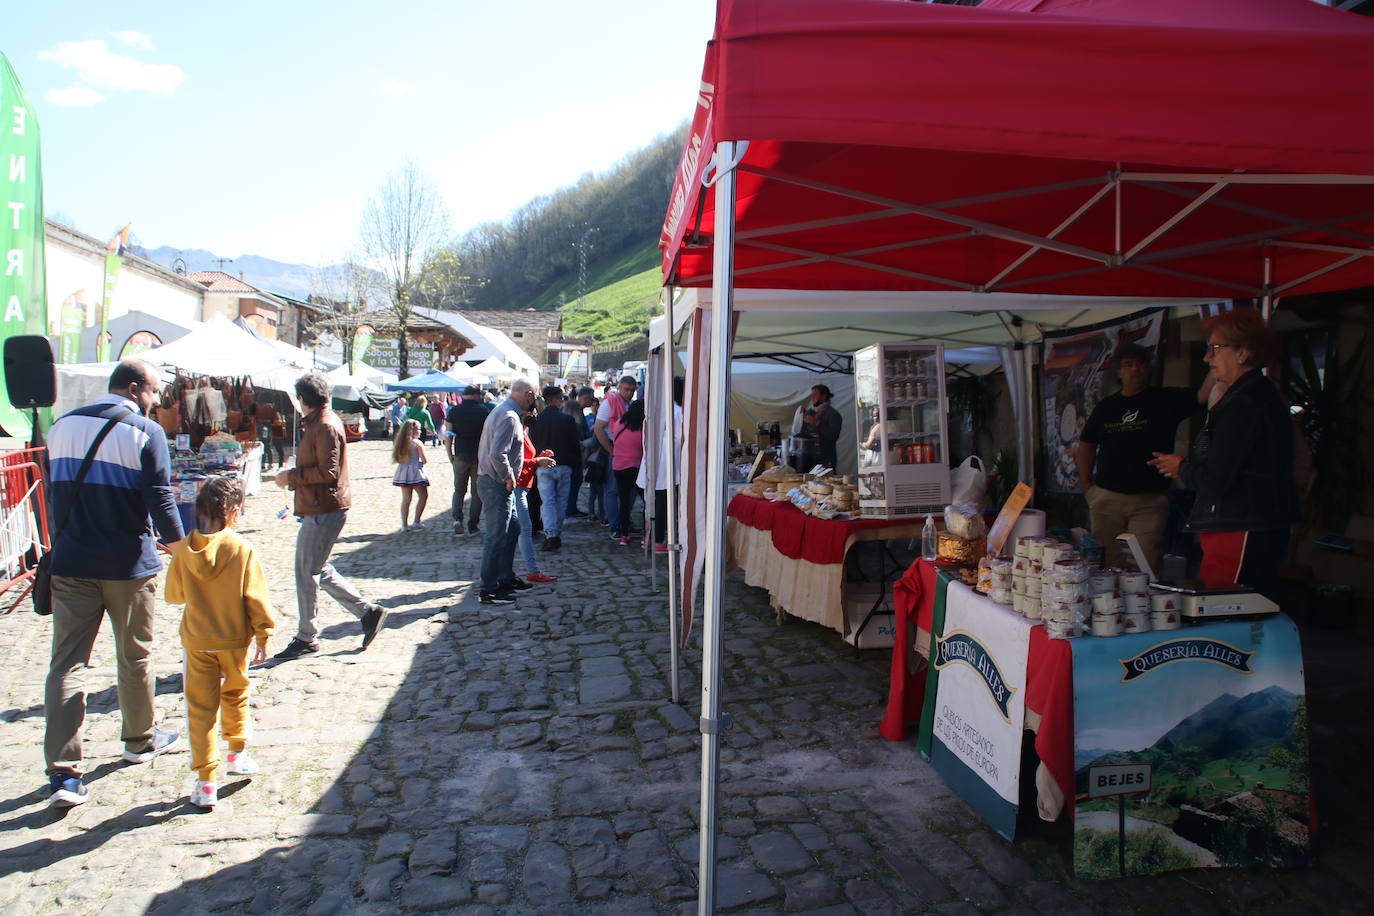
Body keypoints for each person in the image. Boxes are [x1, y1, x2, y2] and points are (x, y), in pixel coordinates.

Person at [42, 359, 186, 808]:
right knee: (135, 655)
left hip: (72, 561)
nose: (158, 400)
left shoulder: (61, 427)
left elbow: (54, 494)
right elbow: (160, 496)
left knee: (67, 664)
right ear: (133, 388)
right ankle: (139, 739)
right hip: (127, 563)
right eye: (155, 391)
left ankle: (64, 773)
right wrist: (183, 551)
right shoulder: (146, 432)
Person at [1147, 311, 1298, 602]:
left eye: (1215, 348)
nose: (1207, 358)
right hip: (1245, 520)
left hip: (1242, 523)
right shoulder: (1250, 396)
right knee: (1234, 610)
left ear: (1244, 352)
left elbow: (1217, 478)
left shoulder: (1246, 402)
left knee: (1231, 607)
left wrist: (1181, 467)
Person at [164, 477, 275, 809]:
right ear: (233, 512)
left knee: (200, 710)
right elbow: (255, 598)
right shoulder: (241, 549)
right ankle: (237, 753)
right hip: (233, 638)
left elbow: (174, 595)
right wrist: (264, 634)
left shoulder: (183, 549)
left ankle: (205, 781)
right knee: (236, 693)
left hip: (197, 640)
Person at [273, 373, 387, 660]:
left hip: (325, 508)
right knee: (317, 568)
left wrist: (291, 477)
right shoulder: (320, 423)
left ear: (302, 399)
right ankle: (368, 612)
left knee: (306, 571)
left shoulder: (324, 425)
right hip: (320, 506)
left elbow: (328, 472)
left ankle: (307, 636)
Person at [1075, 343, 1213, 571]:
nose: (1135, 369)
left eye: (1140, 364)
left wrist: (1217, 362)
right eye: (1128, 365)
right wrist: (1087, 484)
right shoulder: (1107, 406)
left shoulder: (1166, 399)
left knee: (1145, 566)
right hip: (1107, 498)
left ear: (1149, 369)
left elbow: (1203, 394)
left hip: (1149, 501)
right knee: (1108, 567)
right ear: (1118, 371)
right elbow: (1086, 444)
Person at [476, 380, 540, 605]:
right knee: (496, 536)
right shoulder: (510, 417)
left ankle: (505, 578)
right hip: (497, 484)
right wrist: (509, 477)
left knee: (512, 528)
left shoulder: (503, 411)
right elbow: (497, 454)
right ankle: (489, 588)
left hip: (494, 483)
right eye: (534, 397)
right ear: (528, 394)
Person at [533, 386, 581, 550]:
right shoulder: (567, 420)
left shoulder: (537, 419)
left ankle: (551, 534)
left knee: (547, 501)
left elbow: (532, 444)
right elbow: (575, 444)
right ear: (556, 399)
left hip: (544, 464)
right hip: (564, 464)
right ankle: (555, 533)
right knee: (560, 501)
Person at [639, 377, 684, 552]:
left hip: (655, 454)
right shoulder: (676, 410)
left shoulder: (654, 408)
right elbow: (682, 436)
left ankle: (649, 536)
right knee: (663, 501)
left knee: (652, 499)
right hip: (668, 457)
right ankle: (658, 539)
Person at [514, 408, 558, 583]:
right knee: (523, 530)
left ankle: (522, 572)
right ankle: (532, 571)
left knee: (517, 531)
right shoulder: (516, 431)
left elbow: (523, 461)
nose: (533, 414)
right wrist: (537, 461)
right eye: (530, 411)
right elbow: (514, 461)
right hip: (517, 486)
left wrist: (539, 459)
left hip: (523, 486)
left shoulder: (523, 431)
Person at [594, 375, 638, 537]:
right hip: (615, 449)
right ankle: (614, 524)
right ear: (619, 388)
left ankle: (624, 520)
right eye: (626, 389)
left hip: (630, 451)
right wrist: (610, 450)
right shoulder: (609, 403)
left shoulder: (631, 405)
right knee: (612, 490)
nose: (628, 393)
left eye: (632, 391)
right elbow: (599, 428)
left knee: (632, 490)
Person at [446, 385, 489, 535]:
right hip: (479, 455)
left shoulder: (454, 410)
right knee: (477, 493)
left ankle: (457, 519)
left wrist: (449, 453)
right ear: (476, 395)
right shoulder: (483, 411)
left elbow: (448, 433)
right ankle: (473, 525)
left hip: (460, 454)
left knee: (458, 490)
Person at [612, 398, 647, 547]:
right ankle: (646, 535)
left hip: (619, 467)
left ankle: (624, 536)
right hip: (637, 467)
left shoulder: (619, 423)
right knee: (648, 501)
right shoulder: (642, 426)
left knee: (624, 503)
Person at [392, 418, 430, 531]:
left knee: (406, 499)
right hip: (416, 472)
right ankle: (417, 521)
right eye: (418, 429)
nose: (420, 431)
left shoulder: (400, 443)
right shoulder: (417, 443)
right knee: (423, 496)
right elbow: (424, 460)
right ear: (412, 431)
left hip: (403, 472)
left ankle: (404, 524)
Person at [796, 384, 842, 470]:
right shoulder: (810, 412)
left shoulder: (833, 414)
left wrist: (817, 423)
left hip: (826, 460)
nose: (812, 397)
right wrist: (800, 417)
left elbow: (834, 436)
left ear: (824, 397)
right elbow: (802, 434)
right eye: (812, 395)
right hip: (809, 460)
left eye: (815, 394)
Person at [563, 391, 589, 518]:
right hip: (575, 458)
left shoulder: (563, 423)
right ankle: (570, 509)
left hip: (566, 458)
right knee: (574, 484)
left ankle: (571, 508)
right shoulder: (575, 425)